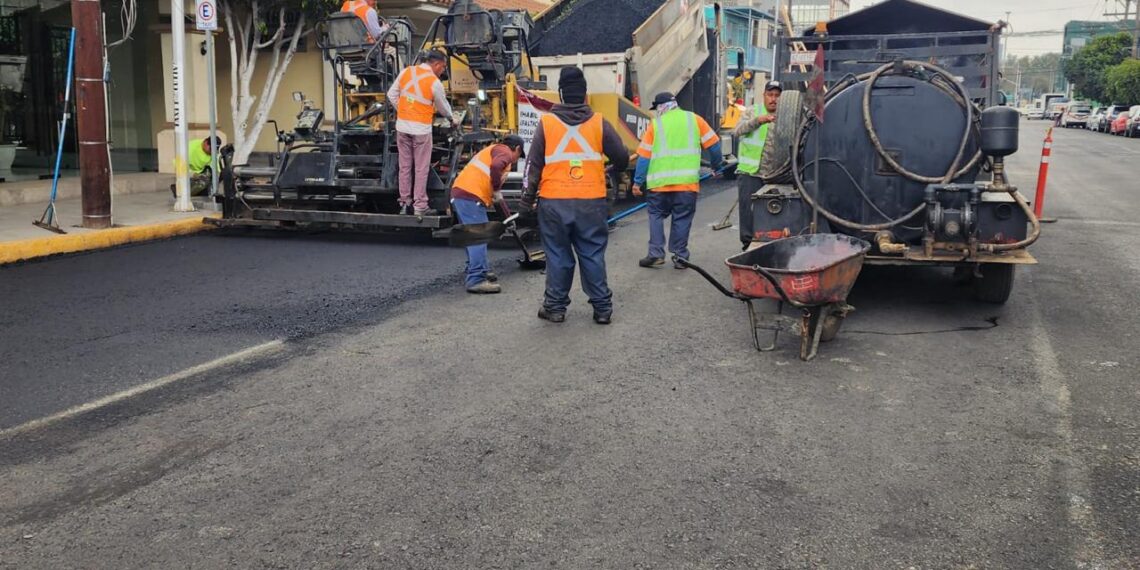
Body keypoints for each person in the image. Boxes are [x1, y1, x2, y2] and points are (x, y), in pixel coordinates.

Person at [519, 67, 629, 325]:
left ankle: (555, 308)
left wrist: (526, 201)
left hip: (554, 202)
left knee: (558, 255)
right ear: (585, 95)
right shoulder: (599, 122)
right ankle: (602, 309)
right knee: (591, 253)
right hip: (591, 202)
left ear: (561, 94)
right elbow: (622, 158)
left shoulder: (546, 123)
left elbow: (532, 166)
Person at [631, 92, 723, 269]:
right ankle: (680, 257)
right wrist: (716, 166)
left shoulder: (655, 125)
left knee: (656, 216)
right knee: (682, 218)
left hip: (658, 186)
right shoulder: (694, 119)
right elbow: (714, 145)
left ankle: (656, 253)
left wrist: (637, 182)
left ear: (661, 107)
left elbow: (644, 157)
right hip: (686, 185)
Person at [451, 135, 527, 294]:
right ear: (517, 149)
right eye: (518, 156)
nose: (514, 161)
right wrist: (497, 187)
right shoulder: (504, 152)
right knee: (479, 236)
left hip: (463, 194)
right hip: (470, 195)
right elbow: (496, 172)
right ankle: (476, 279)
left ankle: (479, 269)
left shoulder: (491, 151)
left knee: (471, 235)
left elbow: (497, 196)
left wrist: (508, 218)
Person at [387, 50, 458, 216]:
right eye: (443, 67)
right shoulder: (434, 83)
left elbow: (391, 94)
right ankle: (420, 206)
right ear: (437, 64)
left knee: (404, 167)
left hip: (402, 127)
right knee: (421, 168)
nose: (443, 71)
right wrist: (452, 120)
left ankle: (404, 204)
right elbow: (443, 107)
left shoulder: (406, 71)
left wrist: (403, 111)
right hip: (421, 131)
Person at [732, 80, 781, 250]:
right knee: (748, 210)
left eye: (777, 95)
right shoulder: (753, 112)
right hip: (750, 172)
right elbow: (737, 131)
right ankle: (747, 244)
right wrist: (758, 121)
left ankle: (769, 243)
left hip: (775, 174)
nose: (773, 99)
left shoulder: (786, 115)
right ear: (764, 95)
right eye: (770, 95)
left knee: (773, 209)